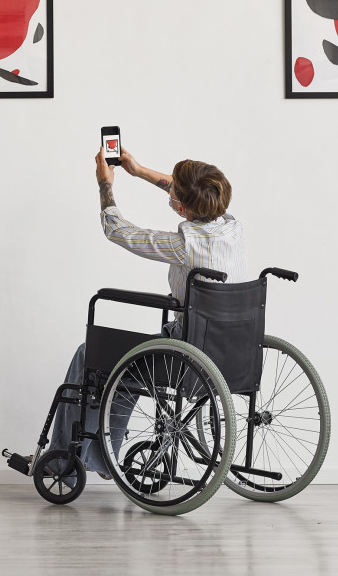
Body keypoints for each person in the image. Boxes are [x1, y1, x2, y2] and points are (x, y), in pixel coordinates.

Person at [48, 147, 249, 478]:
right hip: (233, 351)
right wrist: (138, 170)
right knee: (126, 366)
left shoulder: (184, 244)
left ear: (182, 207)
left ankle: (63, 463)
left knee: (92, 356)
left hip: (187, 356)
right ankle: (102, 459)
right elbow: (185, 192)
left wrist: (105, 184)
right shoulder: (232, 226)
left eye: (175, 194)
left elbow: (118, 231)